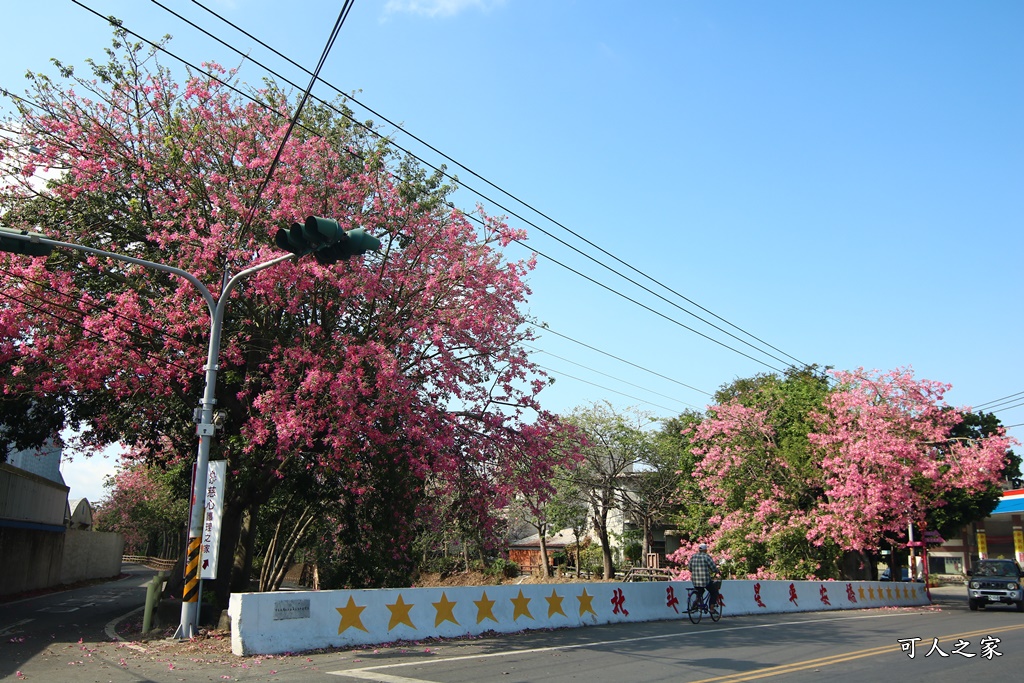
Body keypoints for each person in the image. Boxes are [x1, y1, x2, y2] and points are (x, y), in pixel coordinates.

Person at [688, 543, 720, 611]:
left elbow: (690, 569)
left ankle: (696, 603)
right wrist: (717, 571)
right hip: (705, 581)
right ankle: (711, 608)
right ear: (705, 550)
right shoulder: (706, 557)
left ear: (699, 549)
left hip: (695, 581)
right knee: (714, 592)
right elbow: (713, 568)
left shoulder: (693, 556)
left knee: (700, 592)